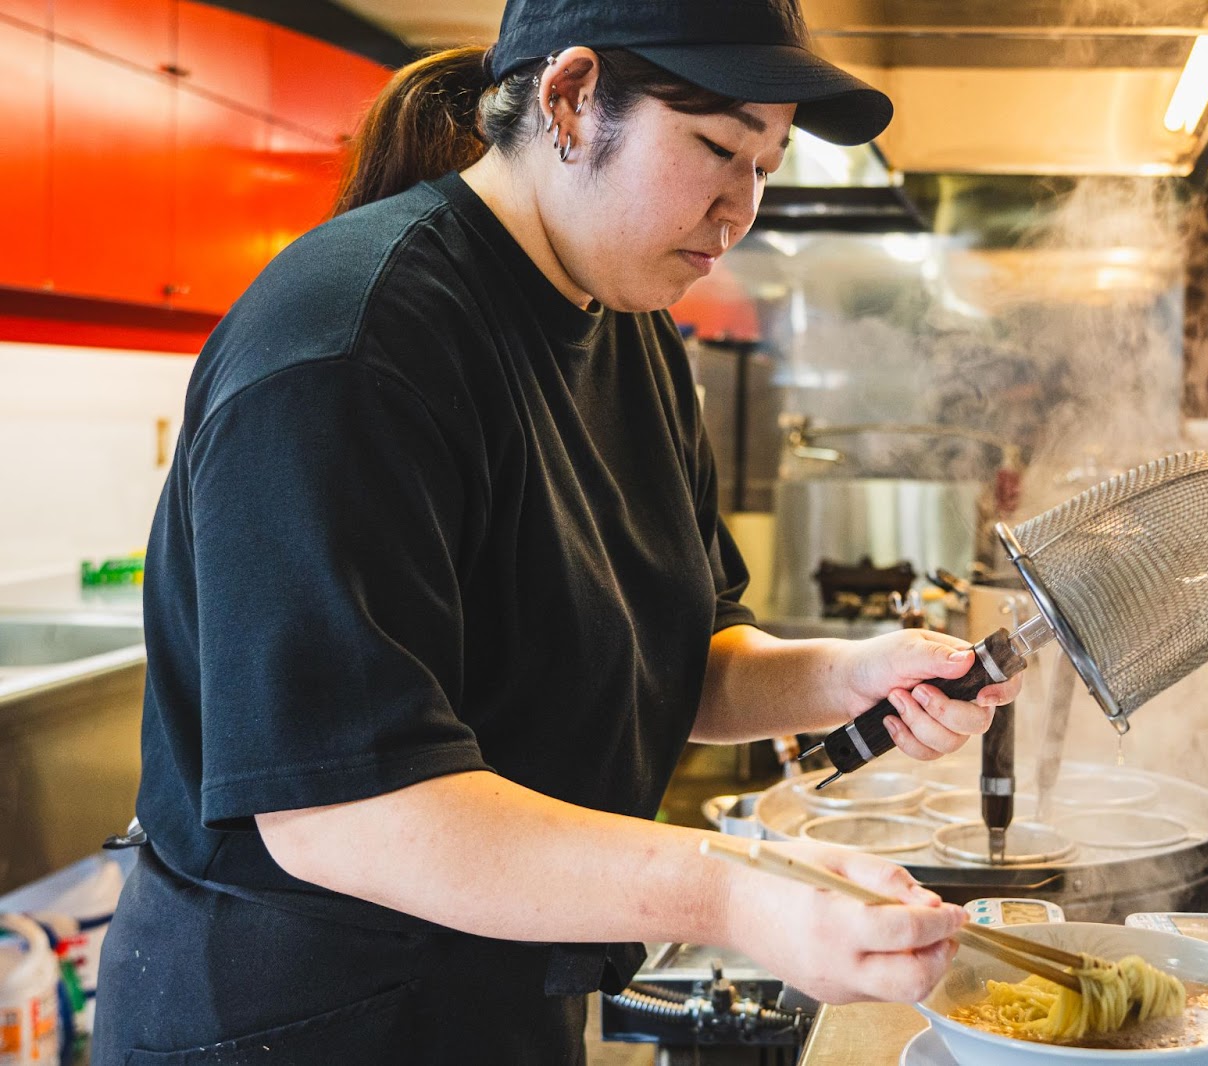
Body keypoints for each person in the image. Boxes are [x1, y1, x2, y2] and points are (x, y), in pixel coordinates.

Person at [91, 1, 1020, 1062]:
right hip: (301, 1020)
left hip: (498, 987)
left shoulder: (631, 334)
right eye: (717, 147)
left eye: (765, 163)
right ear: (571, 100)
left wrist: (845, 675)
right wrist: (739, 892)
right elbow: (346, 806)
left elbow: (681, 659)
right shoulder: (352, 345)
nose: (738, 211)